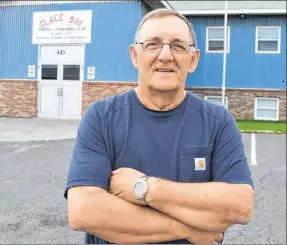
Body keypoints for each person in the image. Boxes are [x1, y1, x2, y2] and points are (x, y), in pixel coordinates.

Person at [64, 8, 254, 244]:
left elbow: (240, 206)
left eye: (178, 45)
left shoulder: (218, 121)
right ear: (134, 55)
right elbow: (84, 211)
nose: (165, 55)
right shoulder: (101, 117)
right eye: (152, 44)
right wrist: (189, 231)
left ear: (193, 59)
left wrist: (144, 188)